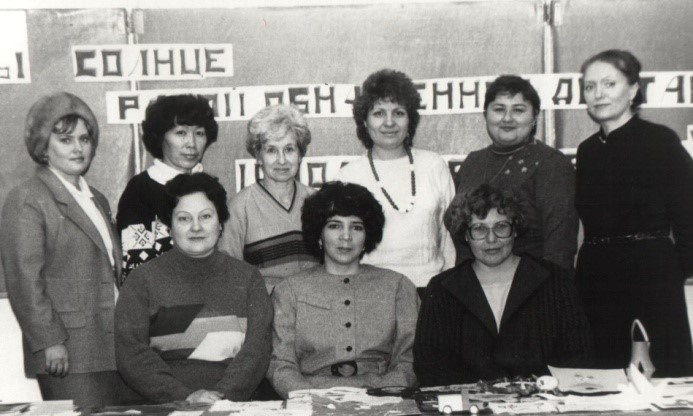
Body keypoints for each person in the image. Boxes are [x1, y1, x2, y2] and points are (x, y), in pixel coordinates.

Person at [575, 49, 693, 376]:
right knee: (602, 379)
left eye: (609, 84)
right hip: (597, 280)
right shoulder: (587, 151)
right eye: (589, 87)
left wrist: (670, 272)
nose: (598, 94)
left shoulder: (660, 141)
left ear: (632, 91)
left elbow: (689, 215)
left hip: (651, 278)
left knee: (661, 380)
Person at [0, 92, 121, 410]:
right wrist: (50, 341)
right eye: (65, 140)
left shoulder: (96, 198)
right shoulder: (28, 198)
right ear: (43, 146)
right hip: (67, 353)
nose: (78, 148)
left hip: (110, 347)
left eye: (84, 139)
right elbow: (24, 280)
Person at [115, 173, 273, 404]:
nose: (196, 227)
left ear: (220, 223)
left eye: (206, 216)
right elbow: (132, 355)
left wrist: (221, 399)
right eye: (184, 219)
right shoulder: (141, 281)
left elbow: (256, 352)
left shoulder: (249, 278)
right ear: (169, 227)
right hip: (164, 406)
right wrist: (184, 396)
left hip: (233, 406)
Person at [415, 184, 593, 386]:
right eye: (479, 229)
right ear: (465, 235)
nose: (491, 239)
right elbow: (430, 365)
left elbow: (578, 355)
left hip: (543, 399)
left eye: (501, 227)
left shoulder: (554, 281)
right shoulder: (442, 289)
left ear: (515, 230)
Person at [268, 181, 418, 398]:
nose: (346, 236)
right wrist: (308, 399)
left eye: (356, 227)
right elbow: (280, 364)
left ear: (367, 235)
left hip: (383, 398)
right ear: (319, 234)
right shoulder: (289, 291)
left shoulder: (398, 287)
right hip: (311, 400)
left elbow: (409, 360)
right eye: (334, 226)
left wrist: (383, 395)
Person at [445, 75, 578, 271]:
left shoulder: (551, 163)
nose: (507, 118)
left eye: (518, 110)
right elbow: (459, 236)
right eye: (499, 109)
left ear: (534, 118)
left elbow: (559, 246)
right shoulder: (473, 162)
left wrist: (549, 288)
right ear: (486, 114)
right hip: (473, 281)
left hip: (533, 280)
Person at [337, 69, 455, 289]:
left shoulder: (434, 165)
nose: (389, 122)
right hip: (371, 292)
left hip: (431, 291)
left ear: (410, 120)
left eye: (398, 113)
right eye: (379, 113)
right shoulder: (349, 176)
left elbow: (449, 237)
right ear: (364, 122)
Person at [116, 94, 218, 283]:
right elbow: (136, 272)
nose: (191, 144)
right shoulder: (140, 190)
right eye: (181, 133)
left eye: (199, 133)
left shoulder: (211, 187)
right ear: (160, 136)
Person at [220, 104, 317, 291]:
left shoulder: (318, 202)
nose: (282, 160)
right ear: (258, 156)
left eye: (289, 149)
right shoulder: (240, 207)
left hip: (315, 303)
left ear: (300, 154)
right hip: (264, 305)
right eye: (271, 150)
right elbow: (229, 275)